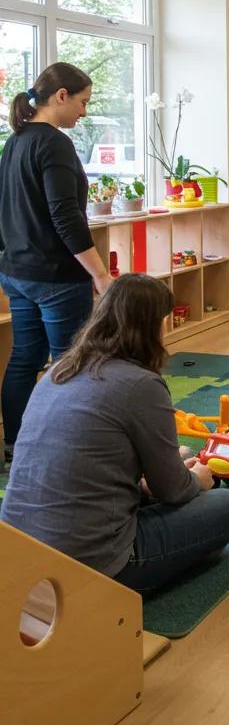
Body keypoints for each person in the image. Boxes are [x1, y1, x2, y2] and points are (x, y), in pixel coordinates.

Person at [0, 275, 229, 592]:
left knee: (180, 456)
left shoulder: (58, 371)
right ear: (149, 328)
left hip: (21, 548)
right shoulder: (142, 385)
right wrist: (199, 479)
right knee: (228, 504)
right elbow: (174, 491)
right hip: (94, 564)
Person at [0, 62, 113, 466]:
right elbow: (66, 217)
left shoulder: (15, 142)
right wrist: (100, 275)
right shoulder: (54, 144)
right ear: (61, 96)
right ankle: (69, 451)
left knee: (25, 358)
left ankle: (17, 446)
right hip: (55, 278)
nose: (84, 111)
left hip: (17, 272)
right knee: (72, 362)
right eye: (83, 102)